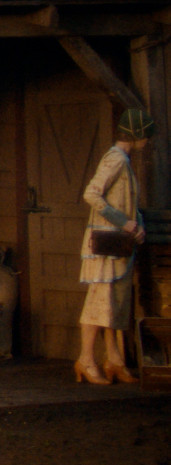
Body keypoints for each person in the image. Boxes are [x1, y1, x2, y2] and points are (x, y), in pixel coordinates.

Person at [75, 109, 151, 384]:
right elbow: (92, 194)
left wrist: (137, 224)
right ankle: (85, 359)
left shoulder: (125, 162)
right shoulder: (115, 159)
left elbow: (127, 202)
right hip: (106, 244)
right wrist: (124, 223)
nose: (147, 141)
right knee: (99, 302)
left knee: (113, 304)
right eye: (145, 135)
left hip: (118, 245)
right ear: (136, 135)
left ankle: (114, 359)